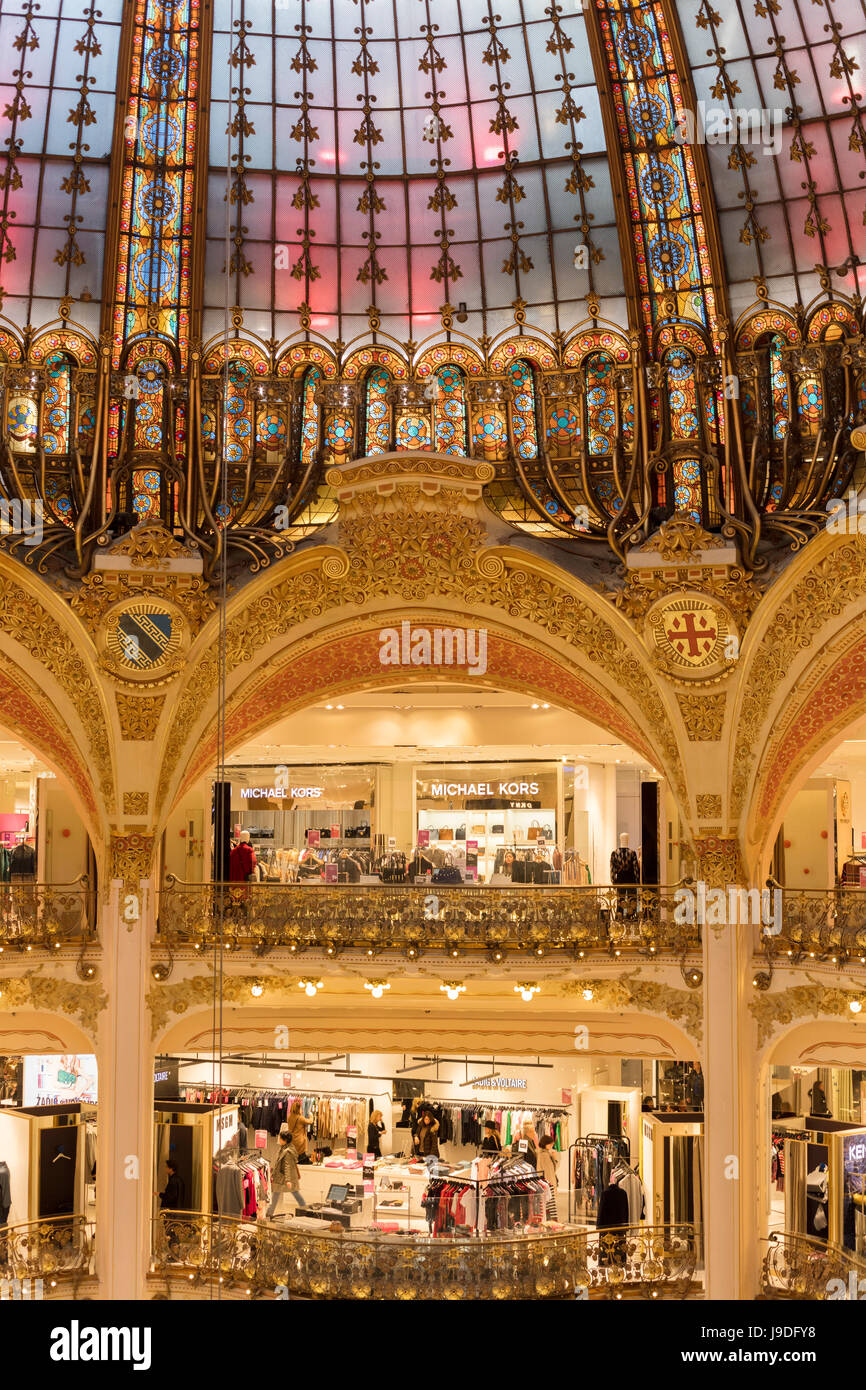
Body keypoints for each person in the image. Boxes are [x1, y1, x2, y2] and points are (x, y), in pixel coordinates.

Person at [267, 1133, 306, 1219]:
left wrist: (288, 1180)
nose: (279, 1139)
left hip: (285, 1177)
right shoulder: (285, 1148)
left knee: (294, 1193)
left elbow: (287, 1166)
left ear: (284, 1140)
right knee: (277, 1193)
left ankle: (305, 1209)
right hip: (282, 1176)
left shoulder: (287, 1152)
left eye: (280, 1138)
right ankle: (269, 1212)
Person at [537, 1135, 559, 1218]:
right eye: (550, 1144)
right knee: (551, 1205)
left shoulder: (544, 1153)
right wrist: (552, 1185)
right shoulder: (544, 1155)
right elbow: (549, 1172)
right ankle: (552, 1222)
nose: (551, 1146)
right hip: (548, 1183)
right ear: (545, 1144)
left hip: (545, 1182)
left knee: (548, 1205)